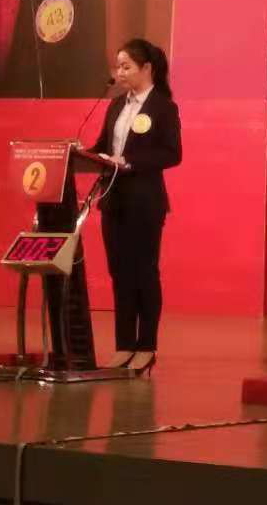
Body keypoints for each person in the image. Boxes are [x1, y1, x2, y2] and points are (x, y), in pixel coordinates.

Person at [94, 38, 182, 373]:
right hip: (113, 200)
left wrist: (130, 162)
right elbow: (102, 146)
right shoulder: (116, 105)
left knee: (144, 272)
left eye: (126, 66)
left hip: (144, 203)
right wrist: (80, 152)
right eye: (117, 66)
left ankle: (146, 346)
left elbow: (172, 154)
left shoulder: (163, 107)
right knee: (119, 273)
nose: (119, 73)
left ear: (147, 68)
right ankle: (123, 346)